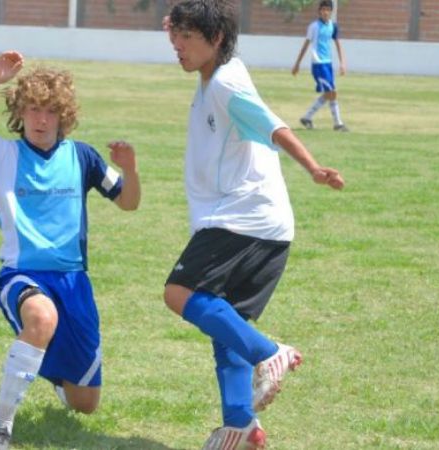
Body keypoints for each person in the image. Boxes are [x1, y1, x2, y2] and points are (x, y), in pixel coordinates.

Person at [0, 51, 141, 450]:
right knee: (41, 317)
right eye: (32, 109)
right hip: (21, 275)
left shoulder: (82, 157)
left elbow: (128, 202)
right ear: (20, 112)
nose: (41, 120)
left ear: (64, 115)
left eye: (50, 111)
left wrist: (130, 169)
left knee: (84, 404)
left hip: (74, 282)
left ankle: (43, 365)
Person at [163, 1, 344, 448]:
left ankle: (270, 353)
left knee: (179, 293)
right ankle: (241, 426)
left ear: (216, 39)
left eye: (187, 37)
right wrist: (180, 20)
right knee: (227, 330)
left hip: (242, 220)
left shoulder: (226, 84)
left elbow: (274, 127)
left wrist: (313, 168)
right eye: (175, 35)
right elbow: (197, 28)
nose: (177, 45)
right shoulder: (220, 70)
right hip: (265, 225)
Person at [292, 0, 349, 132]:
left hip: (328, 64)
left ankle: (307, 117)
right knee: (332, 92)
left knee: (330, 93)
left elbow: (338, 44)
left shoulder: (333, 26)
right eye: (323, 9)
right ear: (319, 11)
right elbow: (306, 45)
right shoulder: (314, 27)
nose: (325, 12)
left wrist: (342, 63)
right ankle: (337, 124)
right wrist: (297, 64)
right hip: (318, 64)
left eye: (327, 10)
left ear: (331, 11)